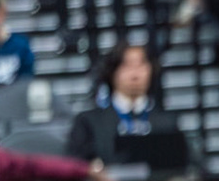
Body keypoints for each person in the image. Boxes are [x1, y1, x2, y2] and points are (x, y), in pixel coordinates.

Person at [66, 43, 190, 171]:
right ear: (112, 71)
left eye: (141, 65)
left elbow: (186, 164)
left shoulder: (168, 122)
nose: (135, 74)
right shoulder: (89, 122)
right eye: (127, 65)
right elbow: (75, 167)